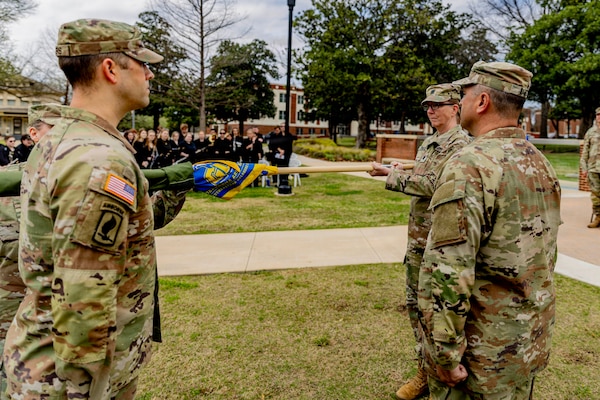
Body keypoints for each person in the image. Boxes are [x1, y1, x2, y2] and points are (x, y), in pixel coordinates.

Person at [2, 19, 170, 399]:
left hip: (48, 361)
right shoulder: (98, 159)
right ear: (110, 70)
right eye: (141, 62)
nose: (150, 73)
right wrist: (87, 387)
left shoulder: (61, 139)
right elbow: (83, 297)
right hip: (71, 378)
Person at [418, 61, 561, 400]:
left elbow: (450, 271)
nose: (461, 101)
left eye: (465, 94)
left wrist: (446, 355)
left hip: (482, 352)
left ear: (482, 102)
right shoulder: (540, 161)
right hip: (527, 340)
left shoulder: (469, 165)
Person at [370, 84, 471, 400]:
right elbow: (422, 176)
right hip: (417, 241)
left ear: (455, 107)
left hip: (441, 242)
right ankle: (426, 370)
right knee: (415, 307)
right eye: (427, 105)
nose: (430, 110)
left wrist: (390, 176)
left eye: (437, 105)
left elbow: (433, 184)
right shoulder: (429, 143)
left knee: (437, 311)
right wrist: (398, 169)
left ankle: (445, 374)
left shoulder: (462, 145)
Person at [580, 107, 600, 228]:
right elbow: (585, 152)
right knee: (595, 194)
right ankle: (598, 216)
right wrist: (584, 168)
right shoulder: (590, 132)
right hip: (593, 168)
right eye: (598, 115)